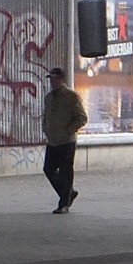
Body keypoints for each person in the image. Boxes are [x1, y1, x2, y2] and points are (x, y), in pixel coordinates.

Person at [41, 67, 88, 214]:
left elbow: (82, 117)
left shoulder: (71, 96)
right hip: (53, 140)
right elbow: (46, 116)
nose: (53, 82)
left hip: (67, 141)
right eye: (51, 79)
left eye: (55, 79)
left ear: (62, 80)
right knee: (48, 169)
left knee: (65, 171)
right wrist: (45, 128)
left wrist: (70, 130)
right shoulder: (48, 98)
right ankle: (68, 193)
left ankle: (64, 204)